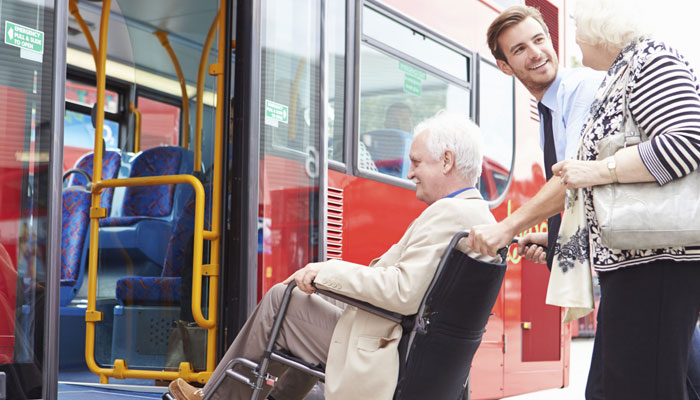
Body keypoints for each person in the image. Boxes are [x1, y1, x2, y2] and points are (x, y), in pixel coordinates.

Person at [168, 111, 498, 400]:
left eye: (416, 162)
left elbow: (402, 292)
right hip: (409, 346)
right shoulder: (477, 215)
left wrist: (326, 271)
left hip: (389, 352)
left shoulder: (450, 214)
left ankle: (218, 398)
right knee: (313, 306)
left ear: (447, 161)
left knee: (282, 300)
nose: (409, 173)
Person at [469, 4, 700, 399]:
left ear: (599, 32)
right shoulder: (616, 76)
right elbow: (595, 195)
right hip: (636, 260)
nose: (546, 50)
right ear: (505, 65)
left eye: (542, 39)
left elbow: (684, 144)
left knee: (633, 386)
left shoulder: (627, 70)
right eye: (521, 48)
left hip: (658, 257)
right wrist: (561, 241)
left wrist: (508, 225)